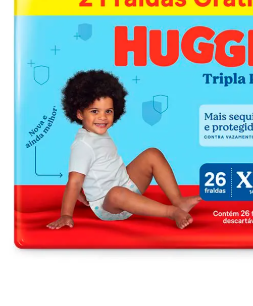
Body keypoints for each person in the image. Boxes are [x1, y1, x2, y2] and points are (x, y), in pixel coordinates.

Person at [47, 70, 200, 230]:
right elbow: (75, 180)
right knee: (116, 193)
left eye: (108, 111)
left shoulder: (97, 133)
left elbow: (86, 168)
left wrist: (79, 191)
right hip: (107, 204)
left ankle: (178, 201)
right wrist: (66, 214)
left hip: (126, 184)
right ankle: (171, 212)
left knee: (152, 154)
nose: (102, 117)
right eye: (94, 111)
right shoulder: (83, 144)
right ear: (79, 114)